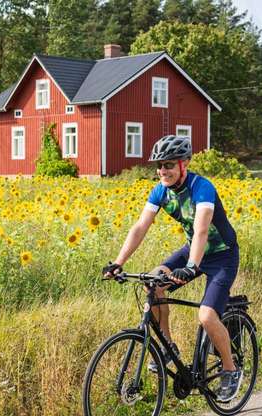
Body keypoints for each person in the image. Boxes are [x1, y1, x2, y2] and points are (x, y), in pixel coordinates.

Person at [102, 135, 242, 402]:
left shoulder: (202, 187)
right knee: (153, 283)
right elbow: (141, 227)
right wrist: (119, 262)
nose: (162, 171)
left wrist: (191, 267)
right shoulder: (161, 190)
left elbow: (201, 229)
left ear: (183, 164)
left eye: (168, 165)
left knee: (207, 316)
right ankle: (167, 347)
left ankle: (229, 369)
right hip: (193, 251)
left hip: (222, 256)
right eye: (159, 166)